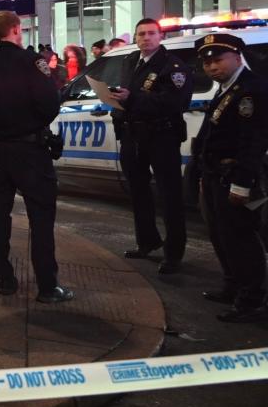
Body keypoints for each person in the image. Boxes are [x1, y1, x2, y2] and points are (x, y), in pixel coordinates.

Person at [0, 11, 74, 303]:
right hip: (30, 149)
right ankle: (47, 285)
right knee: (41, 219)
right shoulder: (32, 62)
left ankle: (4, 278)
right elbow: (50, 103)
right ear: (17, 29)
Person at [192, 33, 268, 323]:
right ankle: (233, 286)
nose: (211, 67)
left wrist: (242, 184)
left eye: (218, 59)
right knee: (221, 235)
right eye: (207, 62)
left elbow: (253, 141)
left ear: (237, 57)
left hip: (234, 177)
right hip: (215, 175)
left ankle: (252, 300)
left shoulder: (251, 91)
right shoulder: (227, 88)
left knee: (240, 238)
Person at [111, 18, 193, 274]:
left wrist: (132, 98)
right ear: (135, 37)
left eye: (151, 33)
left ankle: (174, 253)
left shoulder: (173, 66)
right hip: (133, 134)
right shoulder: (131, 61)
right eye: (141, 34)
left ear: (160, 36)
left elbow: (174, 103)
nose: (146, 38)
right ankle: (146, 241)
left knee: (169, 195)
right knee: (138, 191)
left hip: (161, 136)